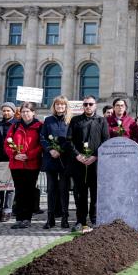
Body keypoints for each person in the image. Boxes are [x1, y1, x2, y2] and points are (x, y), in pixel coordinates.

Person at [64, 95, 109, 232]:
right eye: (85, 104)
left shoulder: (102, 121)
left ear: (95, 105)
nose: (88, 106)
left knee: (95, 192)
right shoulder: (76, 120)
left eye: (90, 104)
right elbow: (69, 140)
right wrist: (77, 155)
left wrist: (95, 156)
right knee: (80, 193)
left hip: (95, 163)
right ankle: (80, 220)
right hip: (79, 162)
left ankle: (94, 218)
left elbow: (105, 141)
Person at [4, 102, 43, 229]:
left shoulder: (39, 126)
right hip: (16, 164)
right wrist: (14, 154)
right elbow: (7, 143)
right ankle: (19, 218)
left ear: (33, 112)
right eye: (23, 111)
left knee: (29, 191)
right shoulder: (15, 126)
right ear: (20, 113)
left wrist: (28, 155)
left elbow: (41, 145)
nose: (26, 114)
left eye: (28, 111)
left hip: (31, 164)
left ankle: (27, 218)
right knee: (19, 191)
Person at [39, 96, 72, 229]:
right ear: (54, 106)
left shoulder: (70, 120)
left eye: (62, 105)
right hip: (50, 158)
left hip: (65, 159)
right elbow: (42, 137)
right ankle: (50, 218)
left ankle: (64, 218)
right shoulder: (48, 120)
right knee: (51, 189)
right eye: (57, 105)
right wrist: (50, 149)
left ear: (66, 106)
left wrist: (61, 150)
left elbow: (70, 138)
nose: (60, 107)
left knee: (64, 189)